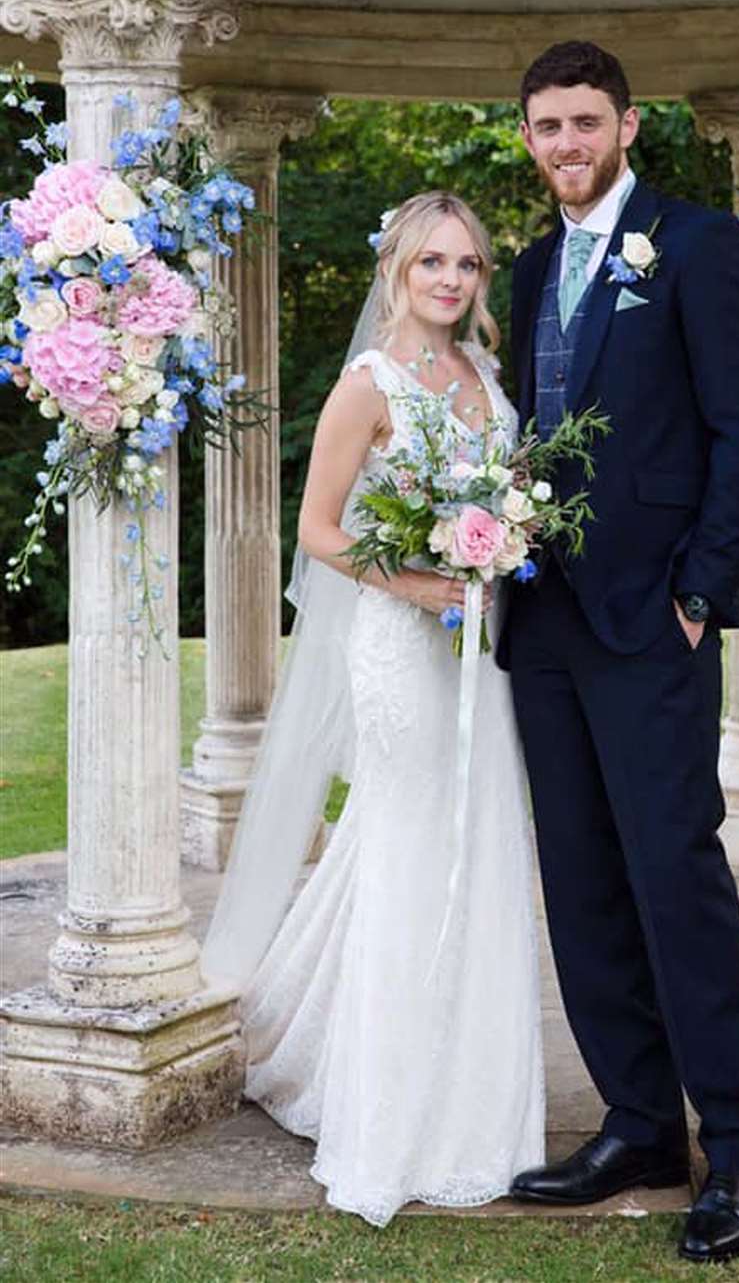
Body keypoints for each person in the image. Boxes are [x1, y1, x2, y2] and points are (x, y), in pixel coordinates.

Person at [201, 191, 544, 1227]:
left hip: (479, 651)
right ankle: (391, 1112)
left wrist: (500, 542)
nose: (451, 280)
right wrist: (419, 580)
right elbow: (316, 529)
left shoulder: (486, 374)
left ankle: (477, 1100)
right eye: (432, 262)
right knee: (406, 846)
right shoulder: (369, 384)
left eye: (469, 265)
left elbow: (510, 492)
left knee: (480, 843)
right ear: (397, 268)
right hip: (402, 648)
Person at [499, 41, 739, 1264]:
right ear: (527, 138)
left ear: (627, 124)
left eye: (584, 123)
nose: (567, 144)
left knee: (676, 873)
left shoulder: (699, 242)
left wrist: (702, 589)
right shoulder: (521, 271)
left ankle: (736, 1143)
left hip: (653, 615)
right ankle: (636, 1124)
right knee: (582, 878)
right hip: (542, 617)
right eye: (546, 127)